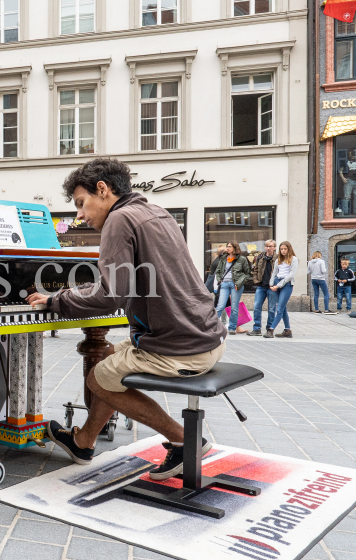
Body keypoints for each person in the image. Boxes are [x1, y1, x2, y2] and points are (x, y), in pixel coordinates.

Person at [24, 158, 225, 479]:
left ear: (102, 190)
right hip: (206, 336)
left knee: (98, 380)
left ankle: (184, 441)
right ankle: (83, 442)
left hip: (179, 346)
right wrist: (79, 294)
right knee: (105, 356)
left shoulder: (118, 220)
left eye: (80, 204)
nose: (79, 215)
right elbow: (121, 284)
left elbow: (109, 296)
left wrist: (55, 300)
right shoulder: (155, 212)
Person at [213, 241, 252, 335]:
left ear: (235, 248)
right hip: (224, 284)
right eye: (227, 246)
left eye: (230, 246)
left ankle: (232, 328)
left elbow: (247, 274)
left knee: (234, 307)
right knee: (220, 306)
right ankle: (213, 326)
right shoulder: (223, 258)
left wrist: (239, 283)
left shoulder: (242, 259)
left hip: (236, 285)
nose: (228, 248)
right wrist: (220, 281)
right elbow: (218, 271)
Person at [264, 241, 299, 338]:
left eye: (285, 249)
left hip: (286, 284)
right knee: (283, 309)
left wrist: (279, 285)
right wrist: (271, 284)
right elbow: (274, 273)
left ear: (289, 249)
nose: (283, 251)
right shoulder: (278, 260)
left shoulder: (294, 259)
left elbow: (291, 275)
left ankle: (271, 330)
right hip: (276, 283)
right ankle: (287, 330)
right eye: (281, 249)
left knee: (279, 309)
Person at [247, 240, 277, 336]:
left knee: (271, 309)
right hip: (261, 286)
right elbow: (255, 270)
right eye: (267, 246)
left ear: (274, 247)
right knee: (256, 307)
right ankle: (256, 329)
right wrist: (256, 280)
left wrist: (277, 285)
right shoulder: (260, 257)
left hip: (272, 287)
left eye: (271, 246)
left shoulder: (278, 258)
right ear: (265, 247)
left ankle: (269, 329)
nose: (269, 248)